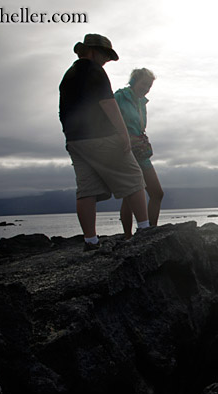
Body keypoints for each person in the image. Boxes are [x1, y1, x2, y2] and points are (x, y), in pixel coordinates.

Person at [58, 34, 151, 251]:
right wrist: (123, 134)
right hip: (100, 136)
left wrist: (70, 139)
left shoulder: (68, 75)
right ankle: (146, 230)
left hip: (75, 140)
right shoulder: (94, 70)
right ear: (91, 51)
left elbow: (63, 111)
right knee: (134, 177)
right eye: (104, 54)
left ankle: (90, 241)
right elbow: (108, 103)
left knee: (86, 189)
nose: (106, 60)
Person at [114, 68, 164, 237]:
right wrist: (125, 138)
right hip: (125, 151)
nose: (146, 88)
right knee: (130, 195)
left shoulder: (142, 103)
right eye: (144, 84)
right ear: (134, 81)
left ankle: (149, 232)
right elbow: (107, 120)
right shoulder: (120, 97)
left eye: (149, 86)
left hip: (141, 152)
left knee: (156, 193)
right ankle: (128, 237)